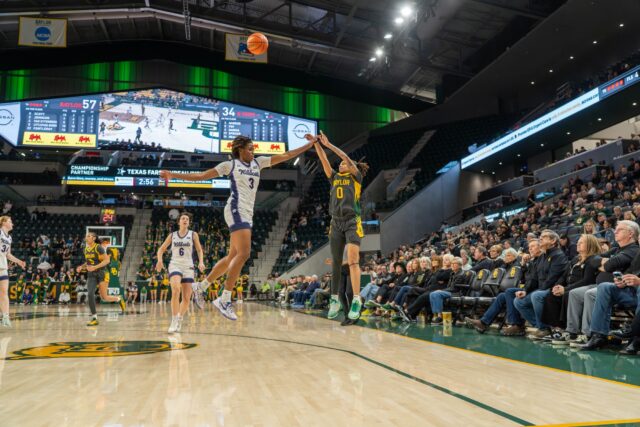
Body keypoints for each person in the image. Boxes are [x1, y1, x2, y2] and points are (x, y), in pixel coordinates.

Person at [160, 135, 313, 320]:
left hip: (248, 213)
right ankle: (224, 298)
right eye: (249, 148)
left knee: (233, 256)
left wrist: (309, 145)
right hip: (235, 209)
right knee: (245, 253)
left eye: (253, 149)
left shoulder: (259, 162)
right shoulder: (230, 165)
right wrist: (173, 175)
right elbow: (201, 176)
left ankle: (201, 286)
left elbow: (287, 155)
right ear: (240, 149)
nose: (253, 151)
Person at [313, 131, 369, 323]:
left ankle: (356, 299)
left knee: (353, 260)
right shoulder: (334, 177)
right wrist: (316, 145)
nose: (341, 164)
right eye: (340, 164)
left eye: (344, 163)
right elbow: (323, 161)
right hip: (335, 222)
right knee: (336, 262)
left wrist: (328, 145)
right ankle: (335, 300)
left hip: (352, 221)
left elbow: (344, 156)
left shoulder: (356, 178)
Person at [156, 212, 205, 333]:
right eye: (183, 218)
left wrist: (201, 262)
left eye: (187, 219)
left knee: (187, 298)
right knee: (176, 289)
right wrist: (159, 260)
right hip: (175, 264)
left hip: (188, 265)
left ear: (189, 222)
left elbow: (199, 249)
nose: (185, 220)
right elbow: (161, 249)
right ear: (179, 222)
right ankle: (173, 319)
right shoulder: (172, 235)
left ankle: (179, 318)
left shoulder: (193, 234)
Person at [76, 233, 125, 326]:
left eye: (89, 236)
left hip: (102, 273)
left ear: (94, 238)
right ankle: (94, 318)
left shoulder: (98, 247)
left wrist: (95, 267)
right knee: (90, 294)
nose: (87, 237)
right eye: (86, 236)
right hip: (91, 274)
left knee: (104, 297)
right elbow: (88, 262)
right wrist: (81, 267)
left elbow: (107, 260)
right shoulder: (85, 249)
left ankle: (119, 298)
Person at [0, 216, 26, 327]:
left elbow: (8, 254)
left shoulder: (9, 237)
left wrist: (19, 261)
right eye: (10, 221)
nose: (12, 224)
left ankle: (5, 316)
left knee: (4, 292)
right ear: (4, 222)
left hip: (3, 266)